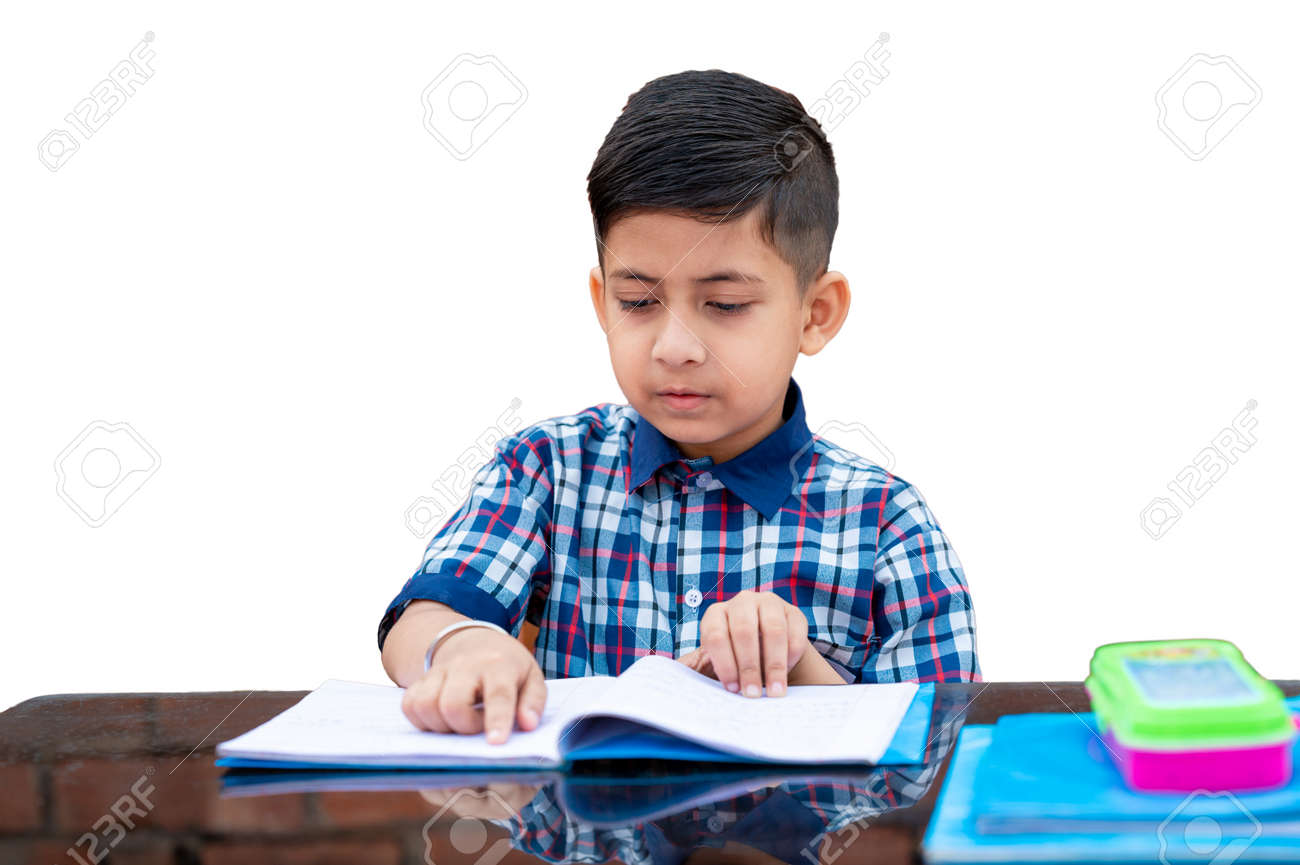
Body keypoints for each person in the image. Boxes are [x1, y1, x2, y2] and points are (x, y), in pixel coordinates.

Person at [379, 69, 980, 744]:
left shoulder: (887, 526)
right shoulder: (545, 470)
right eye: (638, 301)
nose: (675, 346)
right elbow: (421, 618)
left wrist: (798, 666)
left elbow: (934, 759)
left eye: (724, 305)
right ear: (600, 300)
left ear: (816, 313)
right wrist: (463, 648)